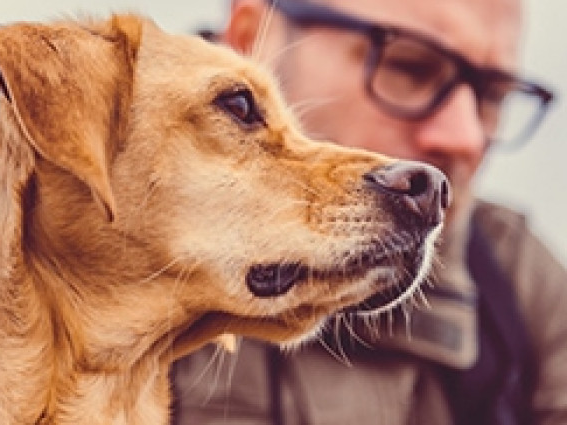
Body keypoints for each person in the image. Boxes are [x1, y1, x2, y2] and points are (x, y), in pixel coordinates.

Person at [171, 0, 567, 424]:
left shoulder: (518, 281)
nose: (466, 138)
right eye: (409, 66)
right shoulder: (102, 235)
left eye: (492, 96)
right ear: (252, 37)